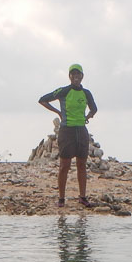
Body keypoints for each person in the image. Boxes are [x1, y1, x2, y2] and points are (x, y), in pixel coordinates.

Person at [38, 64, 98, 208]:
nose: (76, 76)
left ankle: (82, 197)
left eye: (78, 74)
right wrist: (58, 112)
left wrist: (87, 117)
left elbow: (94, 108)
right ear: (69, 76)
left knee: (81, 164)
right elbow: (43, 100)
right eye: (73, 74)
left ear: (82, 76)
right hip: (66, 131)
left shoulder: (86, 93)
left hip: (81, 131)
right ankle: (61, 199)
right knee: (64, 165)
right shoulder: (64, 91)